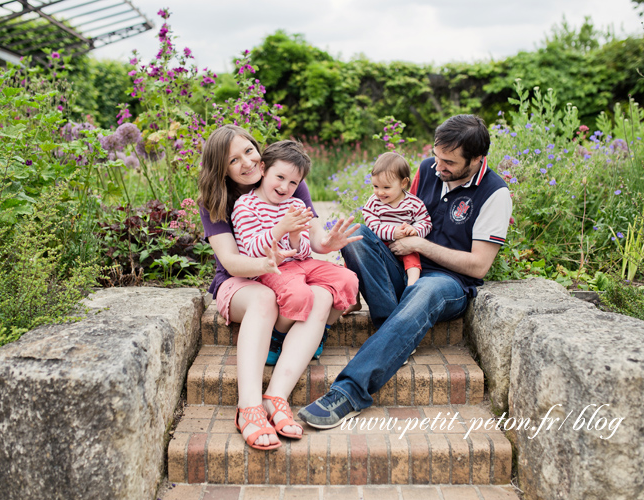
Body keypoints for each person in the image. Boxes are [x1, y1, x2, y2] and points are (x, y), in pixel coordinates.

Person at [298, 114, 513, 429]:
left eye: (449, 162)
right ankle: (395, 328)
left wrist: (421, 246)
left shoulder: (495, 194)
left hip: (447, 284)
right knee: (357, 236)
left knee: (424, 291)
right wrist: (397, 234)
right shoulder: (427, 169)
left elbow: (479, 264)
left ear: (477, 159)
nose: (438, 167)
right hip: (403, 267)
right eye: (437, 157)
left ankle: (349, 391)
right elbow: (401, 211)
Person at [198, 125, 361, 449]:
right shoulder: (219, 200)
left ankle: (277, 397)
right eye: (233, 160)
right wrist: (268, 264)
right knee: (265, 299)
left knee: (321, 293)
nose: (246, 162)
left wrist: (326, 244)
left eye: (249, 150)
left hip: (285, 267)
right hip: (241, 278)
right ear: (221, 168)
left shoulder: (285, 181)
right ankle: (249, 407)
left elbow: (310, 238)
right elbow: (232, 262)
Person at [232, 140, 359, 341]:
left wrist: (294, 237)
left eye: (293, 182)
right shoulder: (245, 206)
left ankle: (321, 332)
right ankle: (278, 337)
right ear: (263, 168)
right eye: (280, 177)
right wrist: (281, 228)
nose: (285, 187)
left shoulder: (297, 204)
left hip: (301, 264)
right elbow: (250, 250)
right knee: (300, 295)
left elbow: (304, 252)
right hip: (271, 269)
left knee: (348, 279)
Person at [362, 152, 432, 288]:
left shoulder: (414, 203)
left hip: (405, 243)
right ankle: (354, 297)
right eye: (376, 186)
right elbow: (372, 226)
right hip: (381, 243)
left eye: (386, 187)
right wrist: (393, 232)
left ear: (403, 183)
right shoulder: (373, 203)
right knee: (356, 252)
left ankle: (412, 284)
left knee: (413, 256)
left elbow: (426, 222)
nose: (380, 192)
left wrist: (415, 230)